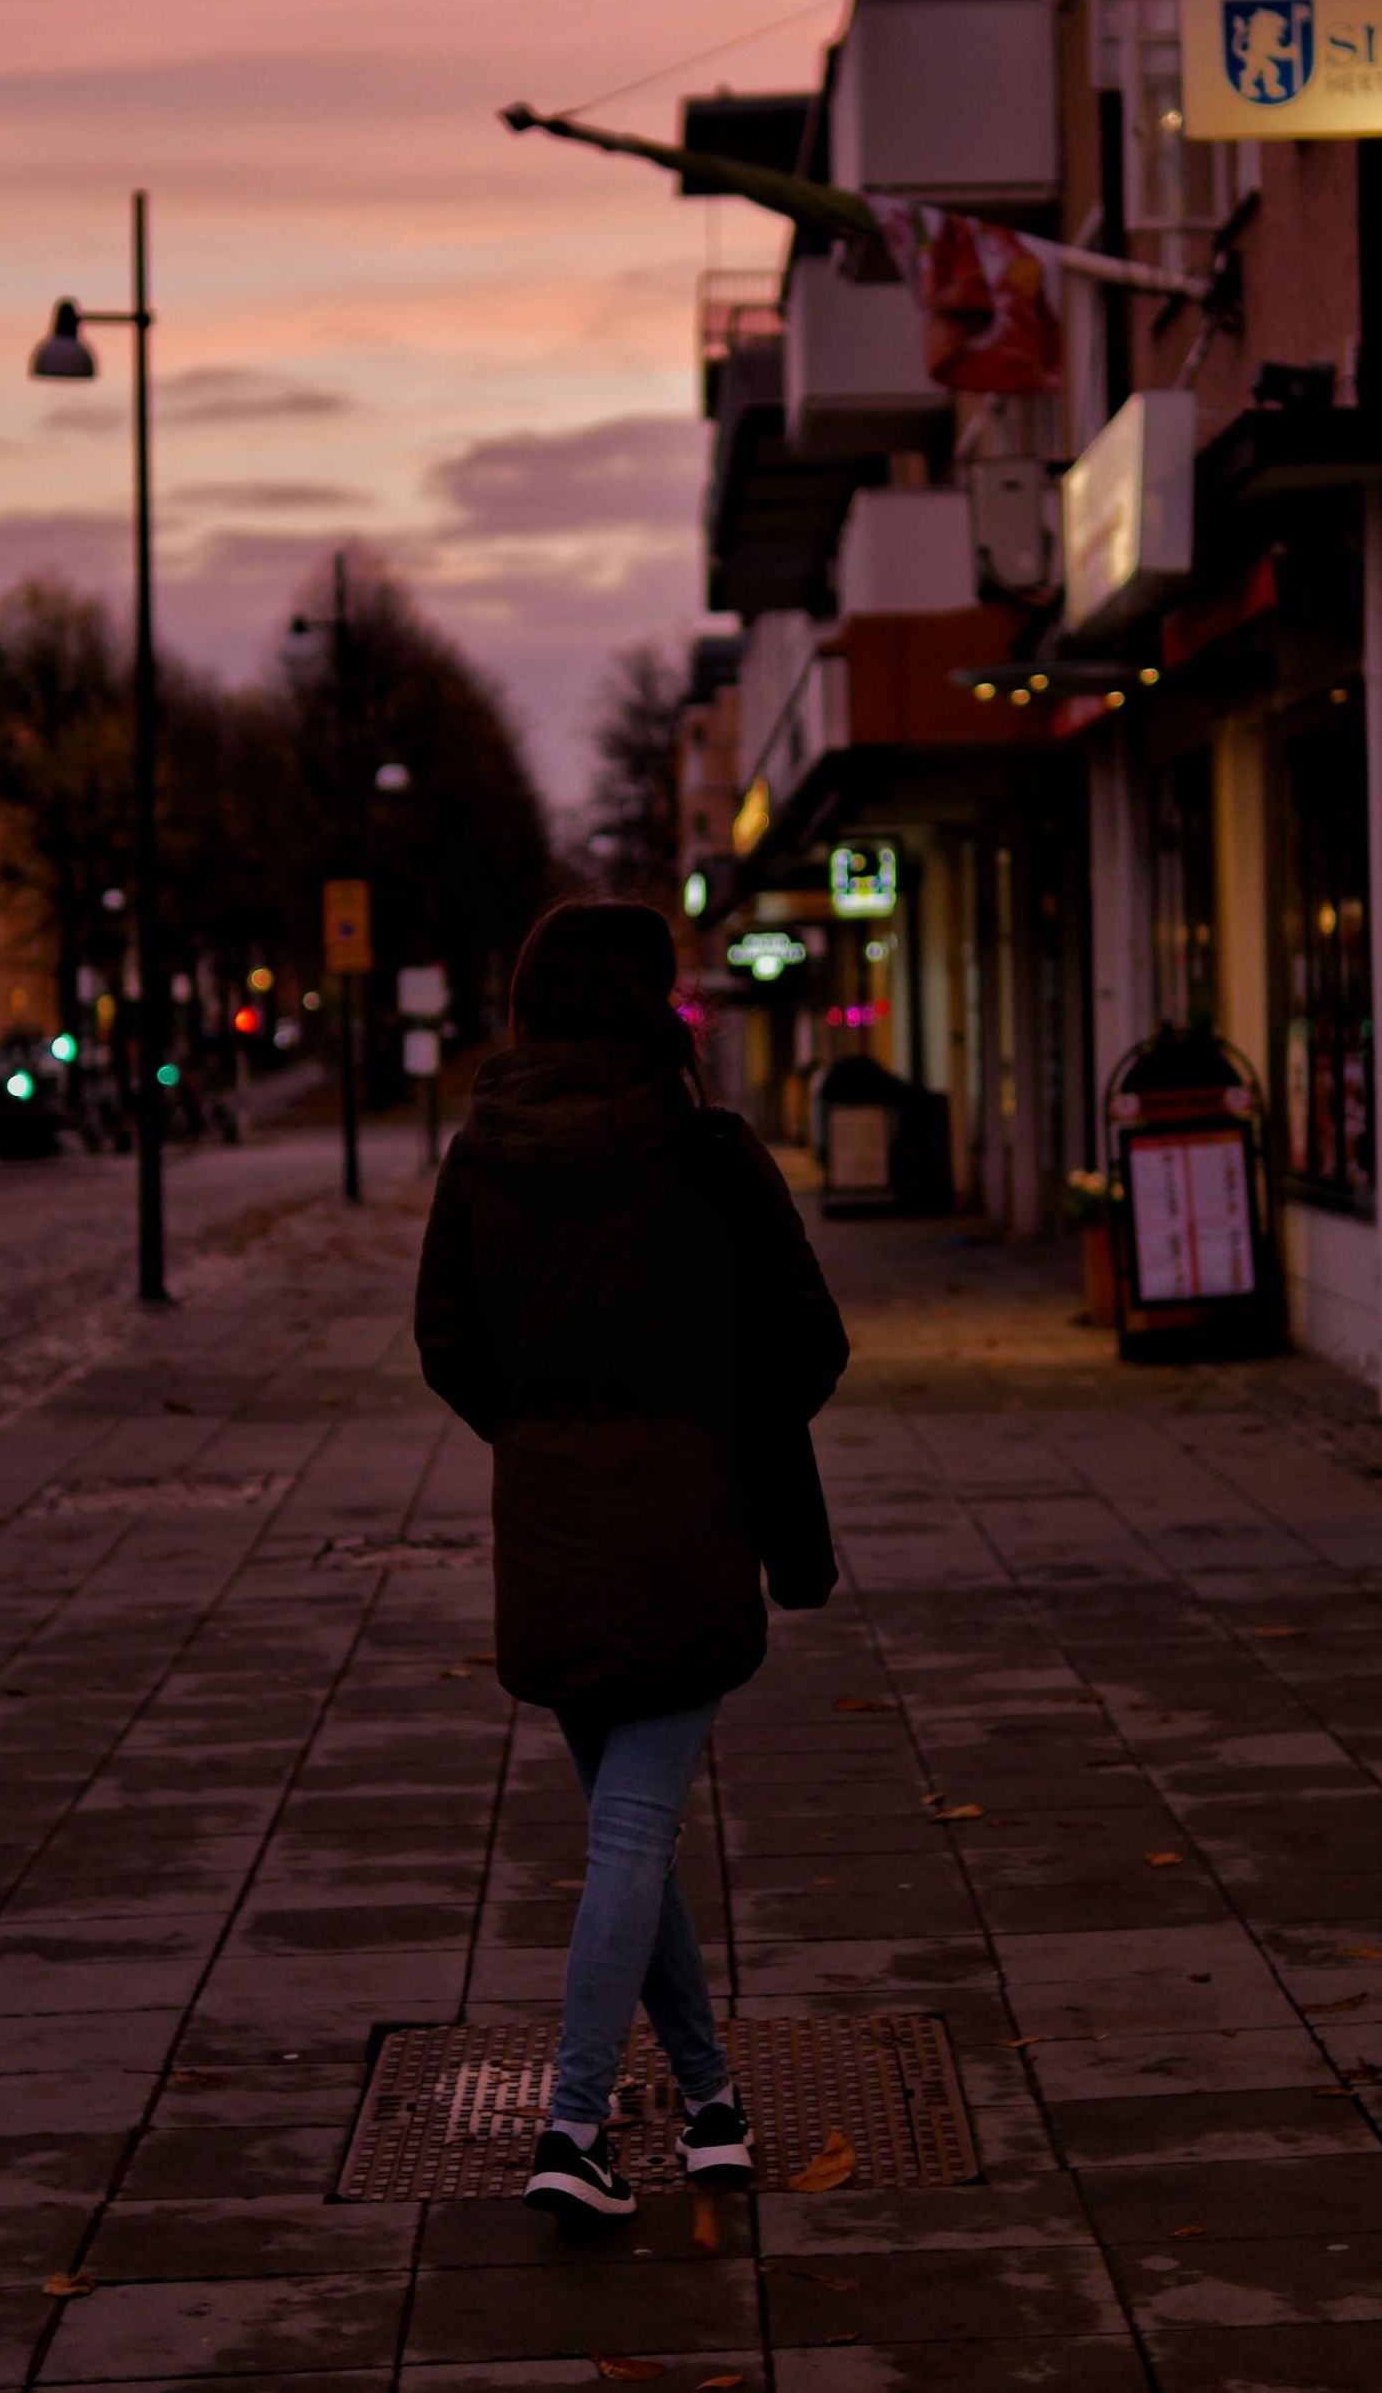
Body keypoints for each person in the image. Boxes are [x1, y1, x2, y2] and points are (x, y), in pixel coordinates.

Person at [414, 899, 848, 2225]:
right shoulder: (707, 1154)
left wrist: (541, 1432)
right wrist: (709, 1419)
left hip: (547, 1531)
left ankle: (712, 2105)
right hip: (681, 1524)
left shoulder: (479, 1160)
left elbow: (446, 1341)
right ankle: (575, 2125)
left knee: (626, 1838)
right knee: (633, 1836)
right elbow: (809, 1342)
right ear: (652, 1006)